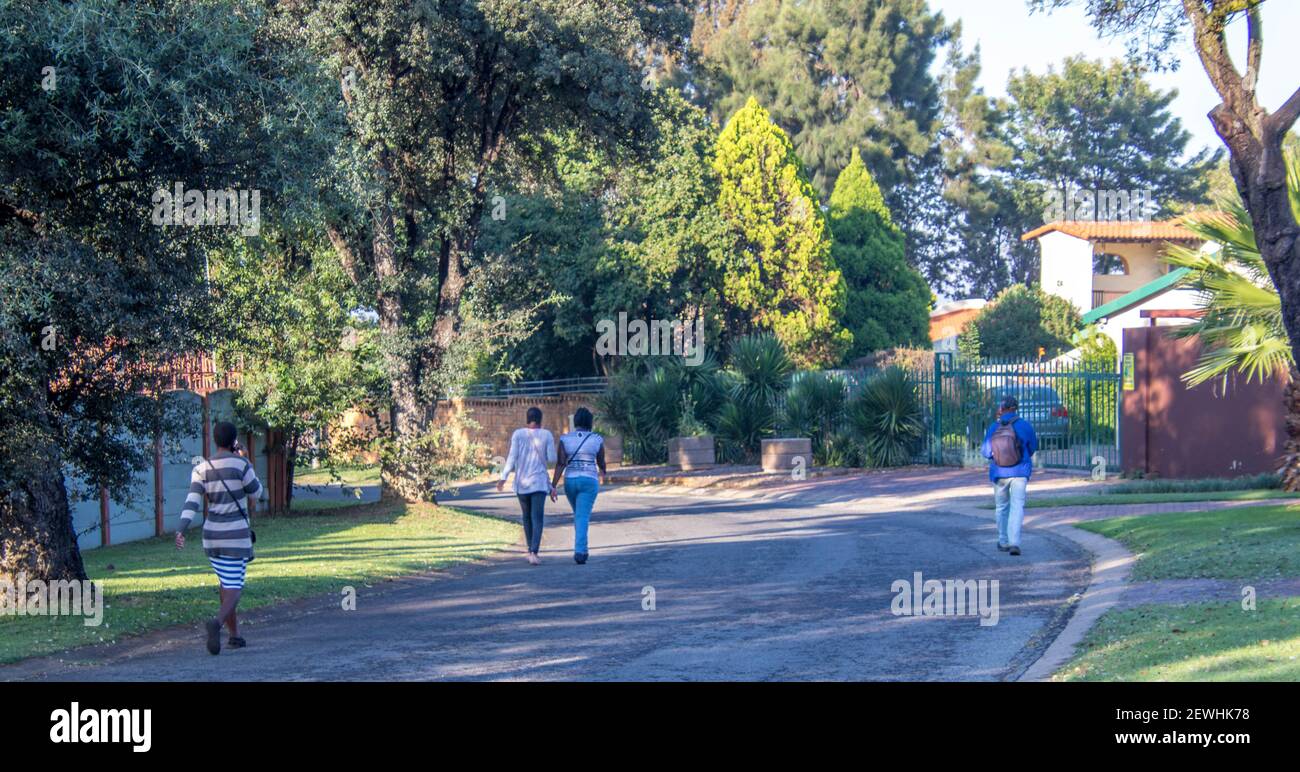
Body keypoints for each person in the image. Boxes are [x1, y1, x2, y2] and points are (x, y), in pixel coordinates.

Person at [176, 421, 262, 655]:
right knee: (235, 586)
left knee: (226, 582)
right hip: (235, 536)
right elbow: (256, 492)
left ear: (214, 440)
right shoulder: (242, 464)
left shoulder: (201, 469)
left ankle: (235, 636)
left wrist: (181, 528)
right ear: (234, 441)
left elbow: (192, 501)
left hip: (211, 536)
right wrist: (246, 461)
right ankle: (216, 624)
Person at [497, 406, 556, 565]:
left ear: (527, 418)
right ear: (540, 419)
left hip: (521, 483)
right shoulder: (546, 435)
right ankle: (534, 552)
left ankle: (530, 549)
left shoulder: (518, 434)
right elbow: (551, 457)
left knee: (526, 517)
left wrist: (503, 477)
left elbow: (511, 457)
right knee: (537, 518)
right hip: (538, 483)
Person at [980, 394, 1038, 556]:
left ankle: (1003, 540)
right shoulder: (1025, 425)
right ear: (1015, 408)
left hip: (999, 472)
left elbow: (985, 452)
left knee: (1001, 507)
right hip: (1020, 471)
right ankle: (1014, 542)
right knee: (1017, 506)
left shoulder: (994, 427)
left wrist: (998, 457)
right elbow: (1033, 447)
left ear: (1002, 408)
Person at [551, 407, 607, 565]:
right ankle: (580, 551)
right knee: (582, 516)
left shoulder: (565, 439)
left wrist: (553, 485)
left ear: (575, 422)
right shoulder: (596, 439)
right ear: (590, 422)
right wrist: (603, 470)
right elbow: (601, 461)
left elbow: (561, 463)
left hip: (570, 481)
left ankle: (582, 547)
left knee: (578, 514)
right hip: (589, 481)